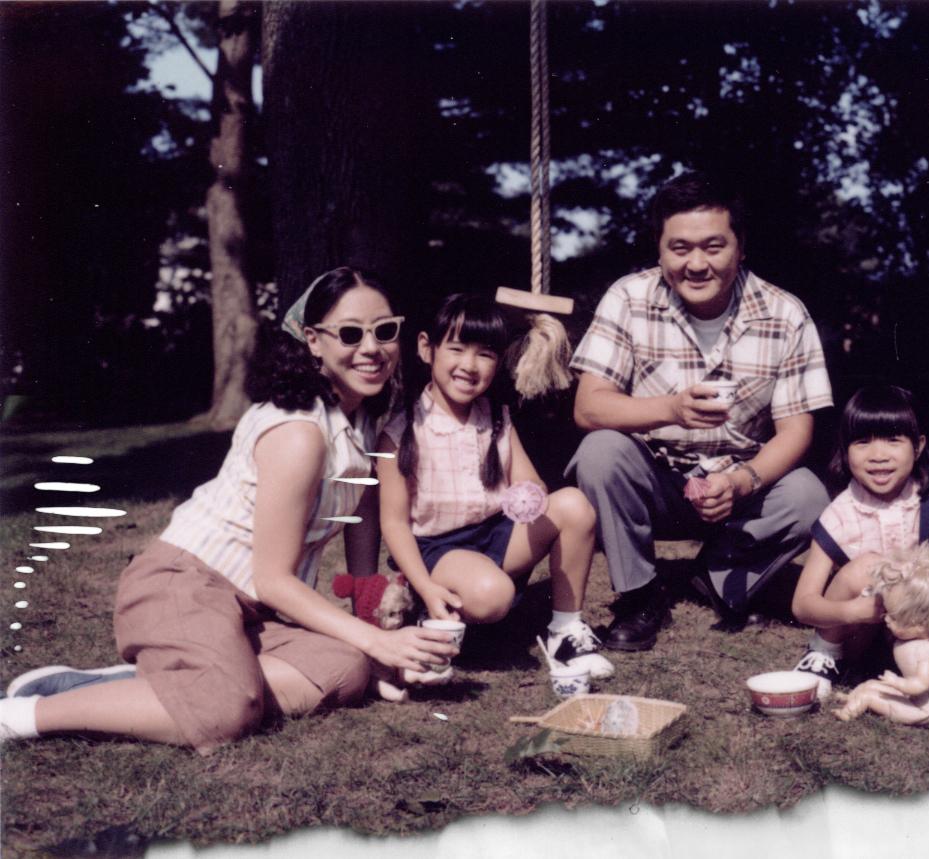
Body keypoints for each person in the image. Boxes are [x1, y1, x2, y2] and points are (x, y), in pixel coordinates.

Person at [0, 267, 458, 750]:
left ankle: (163, 682)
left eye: (384, 331)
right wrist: (379, 643)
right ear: (313, 341)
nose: (371, 349)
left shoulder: (365, 417)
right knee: (225, 713)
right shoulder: (299, 433)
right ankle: (25, 714)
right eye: (350, 333)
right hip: (185, 584)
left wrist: (372, 631)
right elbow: (274, 579)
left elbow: (361, 511)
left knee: (344, 669)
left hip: (255, 610)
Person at [567, 171, 834, 651]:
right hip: (654, 482)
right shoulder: (628, 297)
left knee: (809, 496)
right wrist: (669, 408)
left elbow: (796, 432)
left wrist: (740, 481)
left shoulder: (786, 314)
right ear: (660, 247)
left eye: (713, 246)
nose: (696, 264)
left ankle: (712, 577)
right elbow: (589, 407)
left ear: (740, 246)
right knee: (599, 451)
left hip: (739, 490)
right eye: (680, 247)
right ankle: (639, 595)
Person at [375, 293, 613, 679]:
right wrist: (425, 584)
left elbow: (529, 480)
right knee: (493, 595)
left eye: (485, 354)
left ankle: (565, 631)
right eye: (456, 349)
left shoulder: (497, 418)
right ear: (426, 348)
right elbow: (395, 524)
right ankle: (424, 609)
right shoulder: (400, 433)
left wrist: (530, 495)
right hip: (438, 551)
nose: (469, 365)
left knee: (573, 504)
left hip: (497, 536)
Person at [790, 385, 929, 701]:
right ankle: (824, 653)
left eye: (893, 440)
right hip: (860, 633)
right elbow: (802, 604)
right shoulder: (838, 515)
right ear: (845, 450)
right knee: (867, 567)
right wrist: (854, 611)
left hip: (923, 634)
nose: (878, 455)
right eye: (862, 442)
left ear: (918, 446)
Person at [831, 544, 929, 726]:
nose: (886, 620)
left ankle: (847, 713)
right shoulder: (917, 638)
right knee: (871, 684)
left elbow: (921, 685)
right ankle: (852, 697)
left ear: (922, 624)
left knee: (871, 698)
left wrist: (895, 682)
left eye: (894, 618)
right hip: (917, 698)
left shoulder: (927, 651)